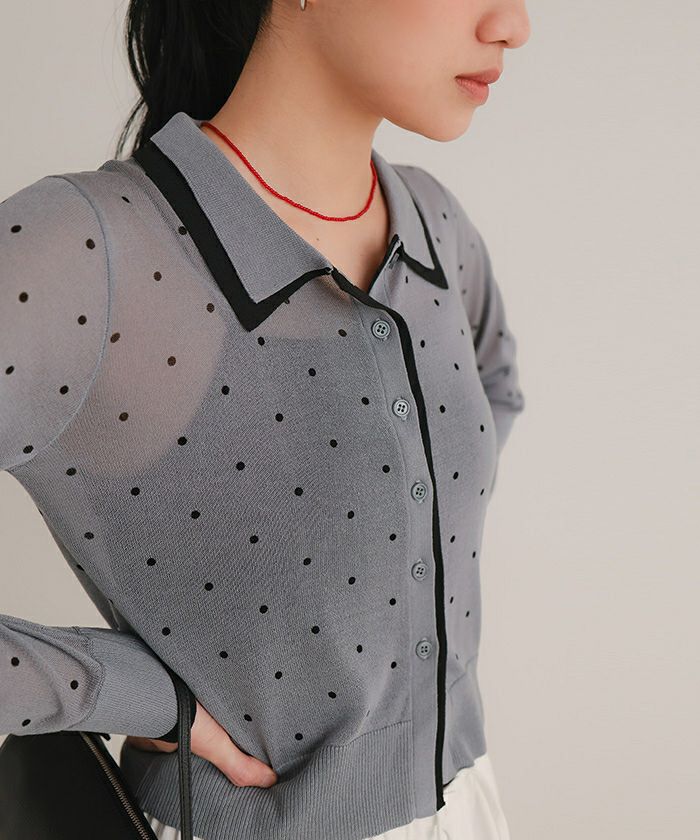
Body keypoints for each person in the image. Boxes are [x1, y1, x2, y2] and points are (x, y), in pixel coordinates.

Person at [0, 1, 530, 838]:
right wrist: (113, 686)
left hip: (469, 807)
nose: (514, 24)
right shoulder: (87, 251)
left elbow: (494, 390)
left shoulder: (435, 224)